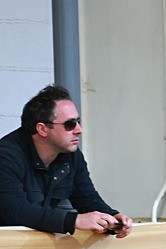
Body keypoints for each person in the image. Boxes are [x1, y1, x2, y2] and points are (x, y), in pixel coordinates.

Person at [0, 84, 132, 237]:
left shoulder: (70, 154)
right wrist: (73, 220)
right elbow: (15, 211)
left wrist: (112, 218)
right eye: (70, 124)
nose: (79, 130)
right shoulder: (6, 156)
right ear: (42, 129)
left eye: (78, 121)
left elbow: (86, 198)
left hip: (35, 243)